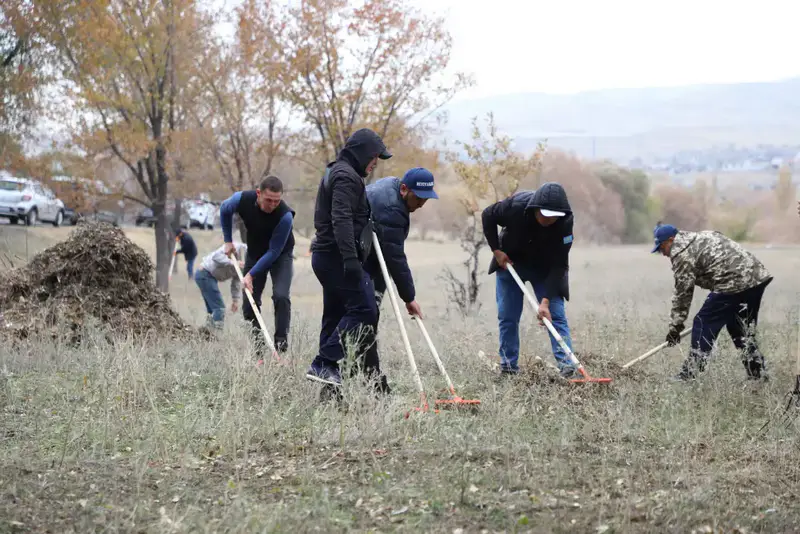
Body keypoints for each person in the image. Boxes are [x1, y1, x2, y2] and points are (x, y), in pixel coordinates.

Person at [305, 128, 392, 387]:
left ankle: (329, 384)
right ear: (363, 152)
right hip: (336, 258)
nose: (376, 162)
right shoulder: (345, 176)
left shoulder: (338, 170)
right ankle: (324, 362)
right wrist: (351, 260)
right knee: (365, 309)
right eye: (375, 156)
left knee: (334, 314)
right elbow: (340, 218)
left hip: (329, 257)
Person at [652, 223, 774, 381]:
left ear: (671, 240)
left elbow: (683, 292)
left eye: (662, 248)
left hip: (733, 283)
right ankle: (758, 374)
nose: (663, 253)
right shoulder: (701, 236)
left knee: (703, 322)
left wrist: (675, 326)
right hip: (757, 278)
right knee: (740, 327)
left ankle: (689, 374)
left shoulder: (681, 252)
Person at [481, 182, 578, 378]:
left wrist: (546, 301)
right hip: (510, 263)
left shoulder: (565, 222)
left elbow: (560, 263)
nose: (548, 220)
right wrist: (496, 250)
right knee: (508, 316)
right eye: (544, 214)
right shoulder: (515, 207)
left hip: (546, 269)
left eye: (554, 217)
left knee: (555, 315)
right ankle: (508, 368)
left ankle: (568, 368)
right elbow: (487, 215)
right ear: (535, 209)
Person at [359, 167, 439, 392]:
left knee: (366, 317)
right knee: (366, 317)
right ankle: (371, 381)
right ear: (404, 189)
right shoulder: (392, 209)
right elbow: (395, 257)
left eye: (426, 199)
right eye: (418, 198)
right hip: (361, 260)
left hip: (371, 254)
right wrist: (409, 297)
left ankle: (367, 375)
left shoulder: (392, 185)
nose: (422, 204)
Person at [219, 175, 295, 355]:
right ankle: (259, 350)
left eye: (277, 201)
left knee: (281, 296)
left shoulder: (285, 216)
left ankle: (280, 348)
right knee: (249, 303)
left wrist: (251, 274)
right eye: (269, 200)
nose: (272, 205)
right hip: (255, 252)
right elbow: (224, 209)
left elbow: (274, 252)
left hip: (280, 256)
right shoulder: (242, 199)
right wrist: (228, 241)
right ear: (258, 193)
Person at [194, 242, 248, 331]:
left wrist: (235, 300)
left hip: (209, 277)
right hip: (205, 274)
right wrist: (233, 262)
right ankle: (216, 335)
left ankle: (207, 334)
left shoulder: (247, 264)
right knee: (220, 309)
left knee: (212, 311)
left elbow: (236, 281)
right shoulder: (234, 247)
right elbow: (216, 257)